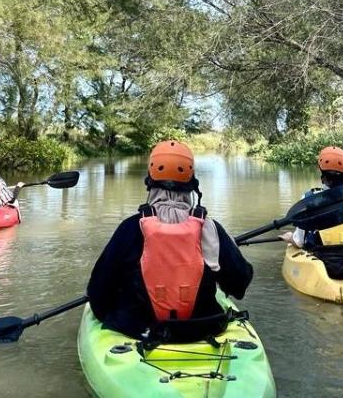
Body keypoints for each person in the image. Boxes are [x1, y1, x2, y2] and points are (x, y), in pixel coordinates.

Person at [86, 140, 254, 340]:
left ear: (149, 181)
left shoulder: (130, 229)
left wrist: (115, 314)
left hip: (139, 331)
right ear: (192, 184)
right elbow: (239, 283)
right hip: (202, 329)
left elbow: (98, 292)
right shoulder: (209, 229)